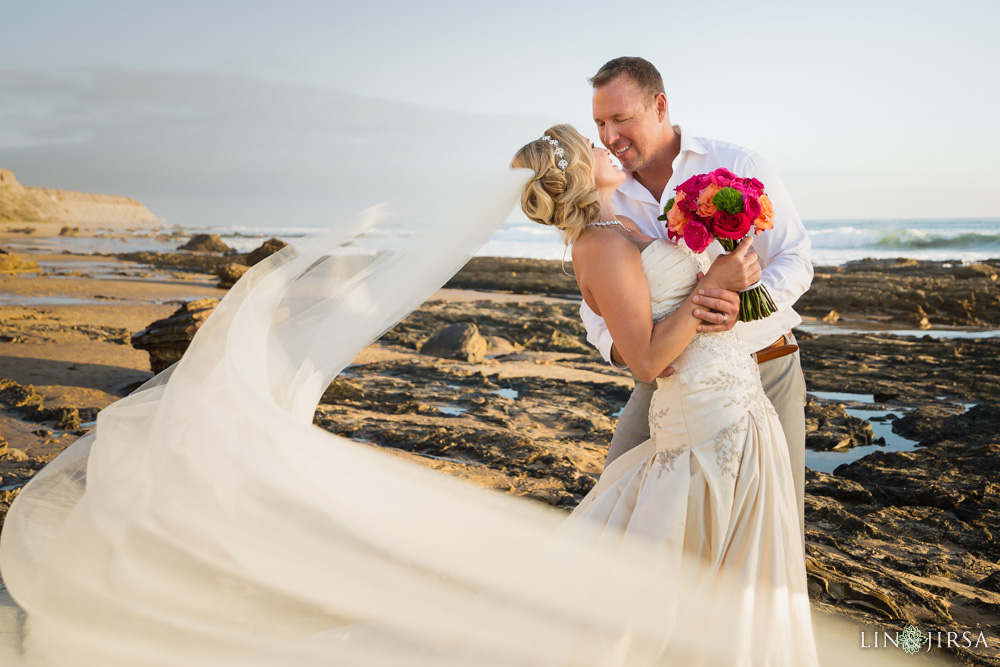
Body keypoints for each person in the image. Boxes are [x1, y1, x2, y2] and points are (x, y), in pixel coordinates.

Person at [510, 124, 817, 665]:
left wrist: (726, 267)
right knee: (678, 552)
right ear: (581, 170)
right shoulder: (600, 244)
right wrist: (715, 283)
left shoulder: (620, 222)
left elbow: (684, 296)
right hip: (699, 408)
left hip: (739, 394)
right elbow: (648, 359)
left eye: (610, 127)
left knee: (744, 547)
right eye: (593, 140)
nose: (605, 141)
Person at [581, 57, 813, 536]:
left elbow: (796, 257)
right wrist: (625, 352)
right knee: (613, 515)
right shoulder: (604, 194)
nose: (609, 137)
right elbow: (594, 304)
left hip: (765, 366)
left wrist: (744, 305)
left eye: (621, 119)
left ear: (659, 106)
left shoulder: (738, 165)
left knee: (770, 526)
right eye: (600, 123)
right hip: (664, 382)